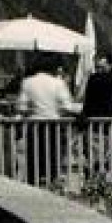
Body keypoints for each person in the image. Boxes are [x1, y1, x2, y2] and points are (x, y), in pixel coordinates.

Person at [15, 57, 78, 185]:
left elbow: (21, 107)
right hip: (53, 125)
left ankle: (34, 186)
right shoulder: (58, 83)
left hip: (34, 125)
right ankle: (51, 185)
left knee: (34, 160)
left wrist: (33, 110)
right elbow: (68, 106)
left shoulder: (28, 82)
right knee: (53, 159)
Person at [79, 50, 112, 118]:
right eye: (97, 67)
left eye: (102, 67)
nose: (99, 70)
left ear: (111, 65)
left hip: (108, 118)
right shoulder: (93, 78)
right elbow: (80, 98)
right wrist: (85, 76)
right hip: (93, 119)